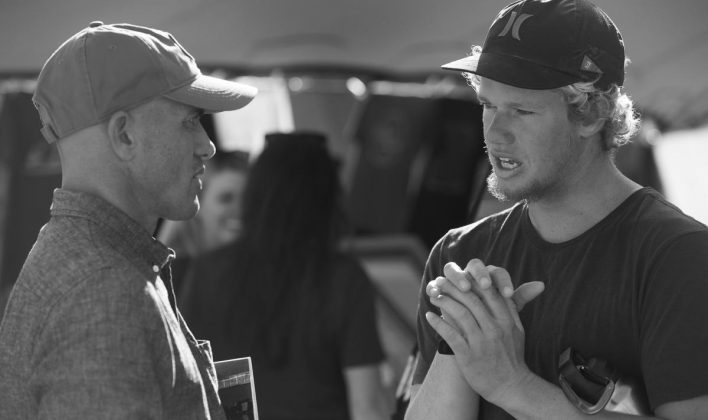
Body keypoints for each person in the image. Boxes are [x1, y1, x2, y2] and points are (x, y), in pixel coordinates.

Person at [405, 1, 708, 419]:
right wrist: (464, 335)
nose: (495, 133)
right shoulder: (457, 255)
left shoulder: (680, 258)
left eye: (522, 111)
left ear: (592, 113)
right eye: (488, 105)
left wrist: (512, 384)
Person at [0, 21, 257, 419]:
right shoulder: (99, 294)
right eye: (190, 121)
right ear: (124, 135)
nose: (207, 146)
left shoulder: (97, 264)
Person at [177, 132, 391, 420]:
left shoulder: (204, 272)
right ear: (327, 199)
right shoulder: (344, 279)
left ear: (256, 193)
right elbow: (368, 408)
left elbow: (189, 387)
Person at [158, 150, 251, 258]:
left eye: (247, 199)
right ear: (198, 207)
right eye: (226, 199)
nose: (240, 208)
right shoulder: (177, 271)